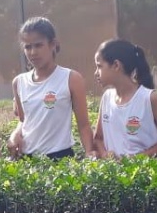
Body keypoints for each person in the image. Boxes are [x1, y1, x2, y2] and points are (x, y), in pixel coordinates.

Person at [8, 17, 93, 159]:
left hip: (60, 158)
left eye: (38, 45)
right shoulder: (18, 82)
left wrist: (89, 152)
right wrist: (14, 134)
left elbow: (83, 125)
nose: (33, 52)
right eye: (28, 47)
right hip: (27, 161)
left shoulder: (71, 78)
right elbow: (24, 121)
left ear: (53, 44)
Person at [91, 39, 157, 158]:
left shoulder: (149, 98)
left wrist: (138, 158)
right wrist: (105, 155)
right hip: (113, 175)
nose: (96, 73)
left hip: (142, 173)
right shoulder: (107, 98)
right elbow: (98, 138)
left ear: (116, 65)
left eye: (99, 66)